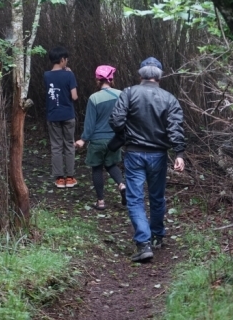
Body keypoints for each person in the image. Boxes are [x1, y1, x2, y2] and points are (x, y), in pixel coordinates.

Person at [109, 57, 186, 262]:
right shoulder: (169, 98)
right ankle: (157, 237)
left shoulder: (129, 92)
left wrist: (125, 134)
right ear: (160, 76)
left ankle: (143, 244)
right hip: (159, 155)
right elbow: (175, 128)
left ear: (141, 74)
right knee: (157, 197)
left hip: (134, 153)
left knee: (135, 198)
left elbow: (116, 120)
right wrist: (179, 154)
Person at [75, 65, 127, 210]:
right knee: (111, 165)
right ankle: (122, 186)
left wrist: (83, 139)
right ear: (111, 79)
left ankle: (101, 202)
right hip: (114, 139)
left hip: (97, 140)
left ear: (97, 80)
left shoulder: (94, 98)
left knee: (97, 168)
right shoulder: (121, 95)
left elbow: (90, 123)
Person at [44, 46, 79, 188]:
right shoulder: (69, 75)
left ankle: (59, 178)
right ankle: (70, 177)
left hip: (53, 115)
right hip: (68, 114)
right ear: (62, 59)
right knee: (69, 145)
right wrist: (70, 74)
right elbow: (74, 96)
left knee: (56, 146)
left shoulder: (46, 75)